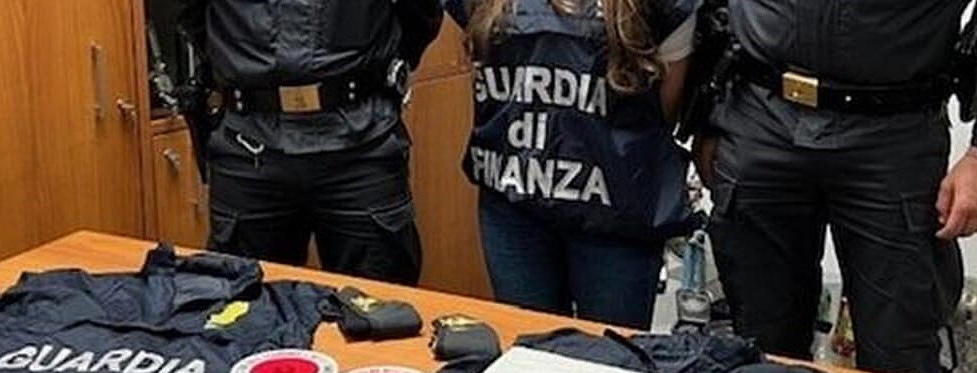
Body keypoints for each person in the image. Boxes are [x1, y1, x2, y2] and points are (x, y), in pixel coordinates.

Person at [692, 0, 977, 373]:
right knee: (759, 352)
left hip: (892, 139)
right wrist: (705, 114)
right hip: (759, 117)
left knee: (900, 358)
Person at [444, 0, 696, 330]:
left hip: (616, 217)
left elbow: (664, 108)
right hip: (515, 208)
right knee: (529, 350)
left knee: (610, 352)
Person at [178, 0, 443, 285]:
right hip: (248, 143)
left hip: (361, 143)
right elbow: (191, 12)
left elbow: (421, 14)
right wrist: (239, 64)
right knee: (242, 300)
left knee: (379, 302)